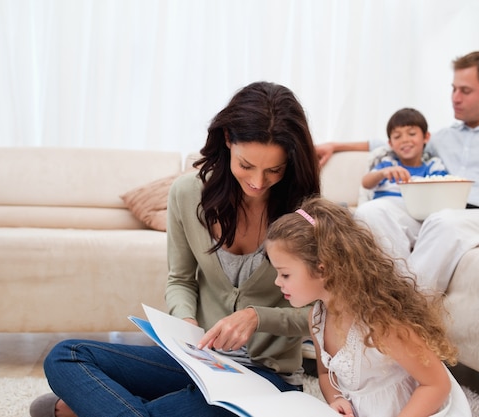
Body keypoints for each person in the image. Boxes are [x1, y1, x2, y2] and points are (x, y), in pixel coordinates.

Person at [29, 81, 321, 417]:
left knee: (115, 407)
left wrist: (257, 317)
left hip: (267, 378)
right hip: (200, 363)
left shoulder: (308, 214)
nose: (257, 182)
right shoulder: (187, 194)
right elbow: (181, 279)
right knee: (66, 355)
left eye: (274, 170)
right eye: (246, 165)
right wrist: (184, 325)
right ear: (227, 140)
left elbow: (321, 315)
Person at [316, 51, 479, 292]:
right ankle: (391, 298)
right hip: (443, 211)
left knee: (443, 222)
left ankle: (401, 311)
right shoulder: (445, 137)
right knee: (373, 212)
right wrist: (336, 145)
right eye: (453, 89)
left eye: (465, 91)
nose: (455, 98)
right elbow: (393, 143)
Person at [264, 196, 472, 417]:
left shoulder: (381, 324)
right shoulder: (317, 319)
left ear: (323, 269)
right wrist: (336, 398)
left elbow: (436, 386)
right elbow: (325, 374)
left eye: (285, 274)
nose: (277, 282)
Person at [361, 107, 448, 198]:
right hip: (386, 204)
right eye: (397, 136)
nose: (405, 140)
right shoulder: (389, 164)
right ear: (390, 144)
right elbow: (366, 183)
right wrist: (383, 173)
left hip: (418, 206)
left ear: (426, 137)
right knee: (368, 210)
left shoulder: (433, 165)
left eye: (412, 134)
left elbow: (442, 188)